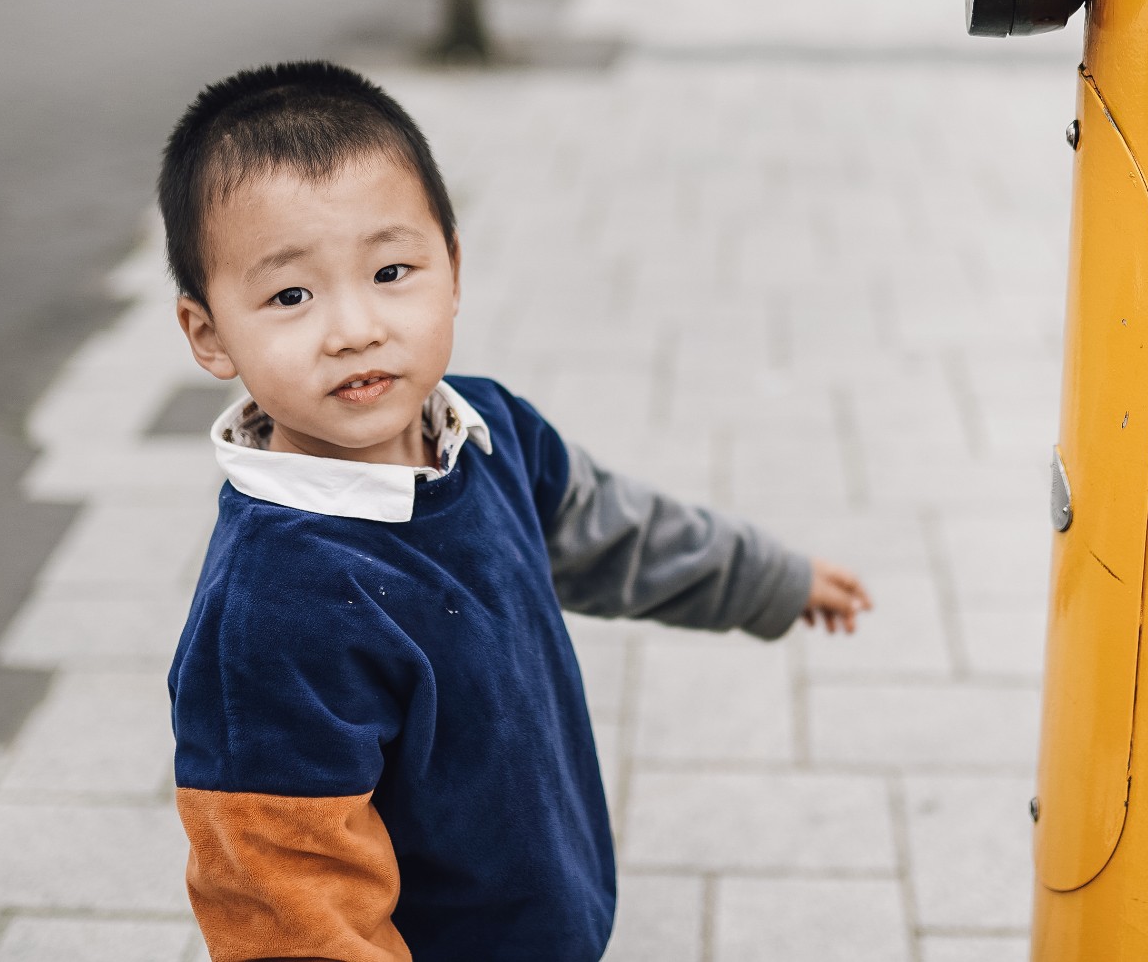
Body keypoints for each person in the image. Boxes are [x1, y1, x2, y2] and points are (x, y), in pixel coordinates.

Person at [161, 62, 872, 961]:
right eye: (291, 295)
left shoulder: (485, 428)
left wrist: (768, 579)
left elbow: (616, 532)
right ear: (210, 332)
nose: (353, 327)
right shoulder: (268, 615)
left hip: (546, 905)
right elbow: (290, 906)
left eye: (390, 270)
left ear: (451, 268)